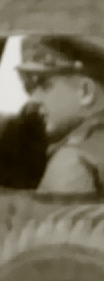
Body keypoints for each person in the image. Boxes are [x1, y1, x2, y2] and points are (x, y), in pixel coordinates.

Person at [19, 36, 104, 196]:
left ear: (85, 91)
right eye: (30, 88)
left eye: (44, 85)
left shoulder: (72, 162)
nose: (33, 100)